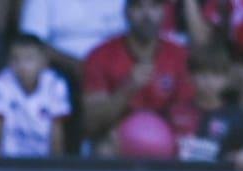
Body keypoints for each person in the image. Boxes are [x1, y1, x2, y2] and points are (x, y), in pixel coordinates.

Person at [83, 0, 194, 154]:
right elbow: (91, 123)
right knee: (104, 150)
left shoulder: (179, 56)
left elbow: (189, 113)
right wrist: (127, 89)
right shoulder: (101, 56)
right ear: (126, 12)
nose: (147, 15)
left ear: (164, 12)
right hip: (118, 142)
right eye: (139, 7)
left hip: (169, 140)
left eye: (154, 7)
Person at [0, 33, 72, 158]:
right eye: (15, 59)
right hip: (9, 160)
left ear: (44, 62)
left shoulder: (56, 84)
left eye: (29, 59)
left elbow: (57, 135)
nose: (22, 66)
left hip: (42, 162)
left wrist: (55, 168)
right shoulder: (2, 81)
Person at [176, 46, 243, 168]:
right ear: (191, 77)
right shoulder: (176, 111)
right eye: (203, 74)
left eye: (215, 75)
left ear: (226, 79)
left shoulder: (237, 117)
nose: (209, 81)